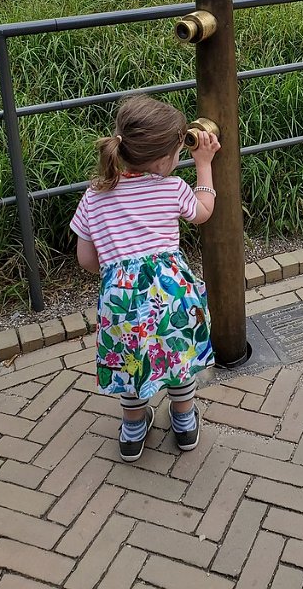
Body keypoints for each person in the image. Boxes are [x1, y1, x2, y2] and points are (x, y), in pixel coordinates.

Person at [70, 94, 220, 462]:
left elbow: (86, 258)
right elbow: (203, 212)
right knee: (176, 353)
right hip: (173, 295)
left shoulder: (94, 196)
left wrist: (116, 272)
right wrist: (203, 164)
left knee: (131, 359)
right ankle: (184, 423)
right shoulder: (172, 189)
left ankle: (134, 430)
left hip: (122, 302)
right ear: (164, 159)